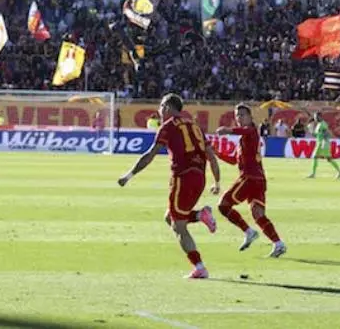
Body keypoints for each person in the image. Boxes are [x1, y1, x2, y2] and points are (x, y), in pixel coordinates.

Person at [117, 93, 221, 279]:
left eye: (161, 106)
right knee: (170, 217)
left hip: (183, 178)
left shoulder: (168, 126)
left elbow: (150, 154)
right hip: (199, 178)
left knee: (178, 225)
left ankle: (199, 267)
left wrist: (129, 175)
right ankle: (200, 215)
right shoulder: (195, 125)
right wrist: (217, 181)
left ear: (167, 107)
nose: (159, 110)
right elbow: (211, 156)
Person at [216, 103, 286, 258]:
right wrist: (216, 153)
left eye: (242, 115)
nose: (239, 118)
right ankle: (278, 243)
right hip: (259, 179)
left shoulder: (252, 131)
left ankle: (249, 232)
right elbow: (233, 160)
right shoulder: (244, 139)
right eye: (237, 116)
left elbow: (243, 130)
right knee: (258, 214)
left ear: (250, 117)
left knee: (223, 205)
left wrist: (227, 130)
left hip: (249, 178)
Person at [307, 112, 340, 179]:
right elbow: (317, 135)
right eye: (315, 117)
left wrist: (324, 142)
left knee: (320, 157)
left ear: (320, 117)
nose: (315, 118)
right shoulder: (318, 125)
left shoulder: (323, 124)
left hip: (323, 143)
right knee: (327, 158)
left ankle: (313, 174)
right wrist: (311, 130)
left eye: (316, 117)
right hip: (319, 143)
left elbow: (327, 134)